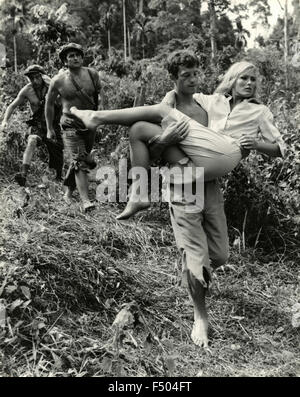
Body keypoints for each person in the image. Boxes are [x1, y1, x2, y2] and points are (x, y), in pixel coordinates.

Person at [70, 51, 286, 347]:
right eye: (242, 78)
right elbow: (154, 144)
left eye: (253, 79)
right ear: (232, 81)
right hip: (183, 182)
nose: (192, 80)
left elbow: (279, 147)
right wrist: (165, 139)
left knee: (220, 255)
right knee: (141, 128)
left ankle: (190, 265)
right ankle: (200, 316)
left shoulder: (208, 105)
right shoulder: (212, 101)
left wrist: (256, 144)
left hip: (210, 182)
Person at [45, 43, 102, 212]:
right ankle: (86, 201)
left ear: (82, 57)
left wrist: (100, 117)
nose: (75, 58)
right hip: (69, 123)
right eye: (71, 56)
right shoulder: (58, 80)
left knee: (82, 158)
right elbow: (49, 105)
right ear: (65, 61)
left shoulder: (92, 74)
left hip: (89, 122)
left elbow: (99, 95)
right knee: (79, 159)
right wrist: (50, 128)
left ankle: (68, 191)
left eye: (77, 55)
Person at [0, 65, 63, 186]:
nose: (34, 81)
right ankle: (23, 175)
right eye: (31, 78)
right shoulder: (27, 90)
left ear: (42, 76)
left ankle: (58, 176)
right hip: (37, 124)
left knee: (57, 151)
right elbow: (12, 106)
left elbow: (65, 99)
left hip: (53, 123)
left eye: (37, 77)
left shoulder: (52, 86)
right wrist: (5, 121)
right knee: (32, 140)